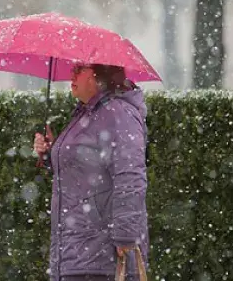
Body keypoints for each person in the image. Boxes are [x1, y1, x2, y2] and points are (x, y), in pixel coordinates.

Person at [34, 63, 149, 281]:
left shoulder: (119, 113)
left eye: (80, 69)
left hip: (102, 256)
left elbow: (130, 177)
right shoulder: (88, 113)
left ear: (98, 75)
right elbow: (85, 171)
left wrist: (125, 236)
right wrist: (52, 154)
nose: (73, 74)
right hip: (75, 253)